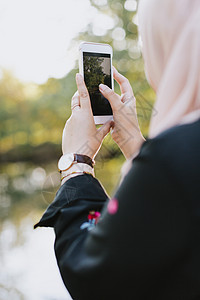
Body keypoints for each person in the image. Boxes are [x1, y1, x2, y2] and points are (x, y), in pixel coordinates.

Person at [34, 0, 200, 299]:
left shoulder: (175, 154)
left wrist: (77, 163)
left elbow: (93, 275)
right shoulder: (177, 156)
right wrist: (135, 145)